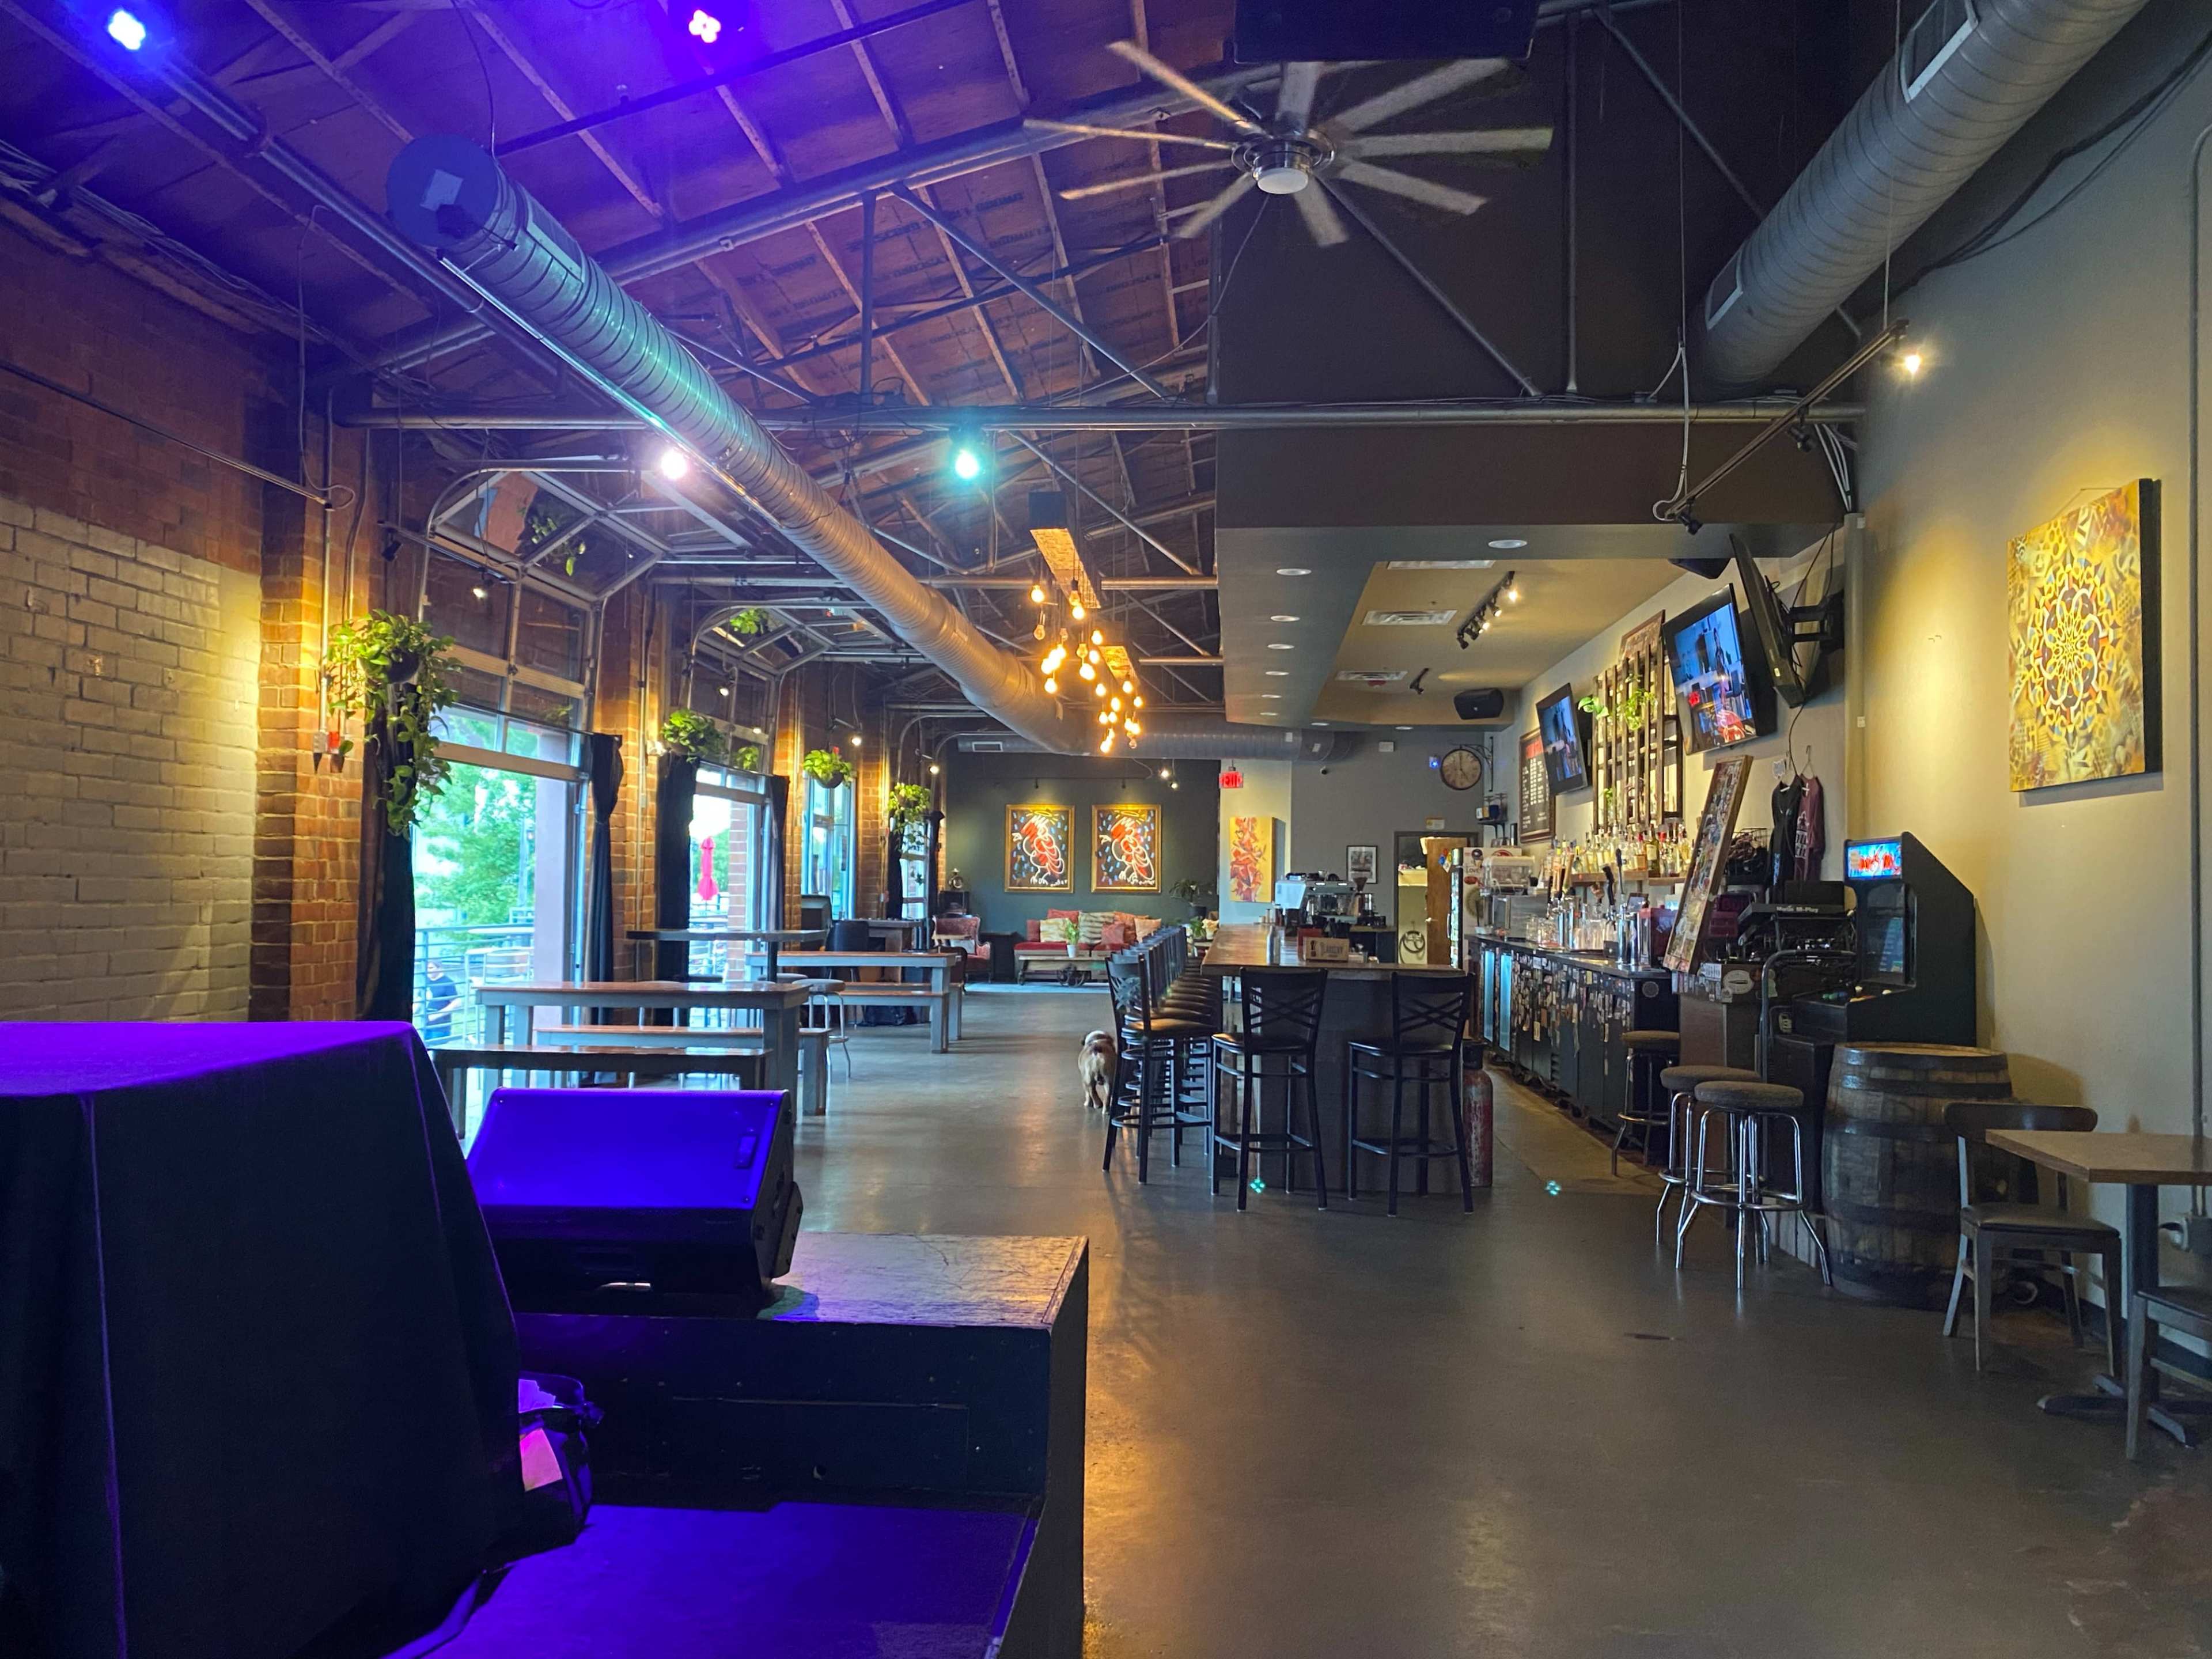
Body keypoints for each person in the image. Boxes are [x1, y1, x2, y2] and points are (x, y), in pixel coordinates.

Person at [421, 957, 459, 1044]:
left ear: (440, 968)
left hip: (440, 1026)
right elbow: (420, 998)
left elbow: (456, 1003)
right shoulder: (426, 982)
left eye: (431, 968)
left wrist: (437, 1015)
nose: (428, 971)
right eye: (426, 968)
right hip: (425, 1024)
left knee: (437, 1050)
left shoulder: (447, 983)